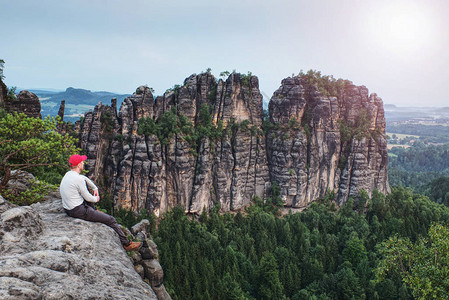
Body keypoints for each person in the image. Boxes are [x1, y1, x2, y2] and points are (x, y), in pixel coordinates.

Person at [60, 154, 141, 251]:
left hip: (68, 208)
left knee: (86, 197)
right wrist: (97, 198)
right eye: (82, 162)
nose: (83, 163)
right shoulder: (78, 179)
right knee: (111, 220)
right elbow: (89, 198)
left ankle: (94, 212)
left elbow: (84, 178)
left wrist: (95, 188)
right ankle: (126, 244)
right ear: (78, 165)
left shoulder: (69, 175)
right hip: (78, 211)